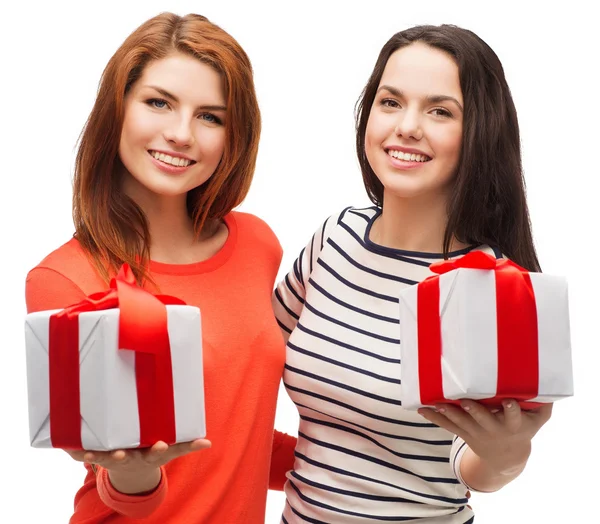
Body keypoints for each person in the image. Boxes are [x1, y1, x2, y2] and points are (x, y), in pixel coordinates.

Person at [273, 24, 552, 523]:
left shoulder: (486, 285)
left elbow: (468, 465)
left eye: (440, 111)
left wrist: (506, 456)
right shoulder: (335, 238)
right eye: (390, 102)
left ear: (480, 133)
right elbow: (253, 362)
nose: (406, 126)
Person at [25, 12, 295, 524]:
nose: (181, 134)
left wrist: (375, 458)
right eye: (158, 103)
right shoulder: (64, 279)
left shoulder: (257, 244)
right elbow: (119, 482)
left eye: (210, 117)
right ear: (117, 109)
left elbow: (243, 435)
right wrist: (135, 473)